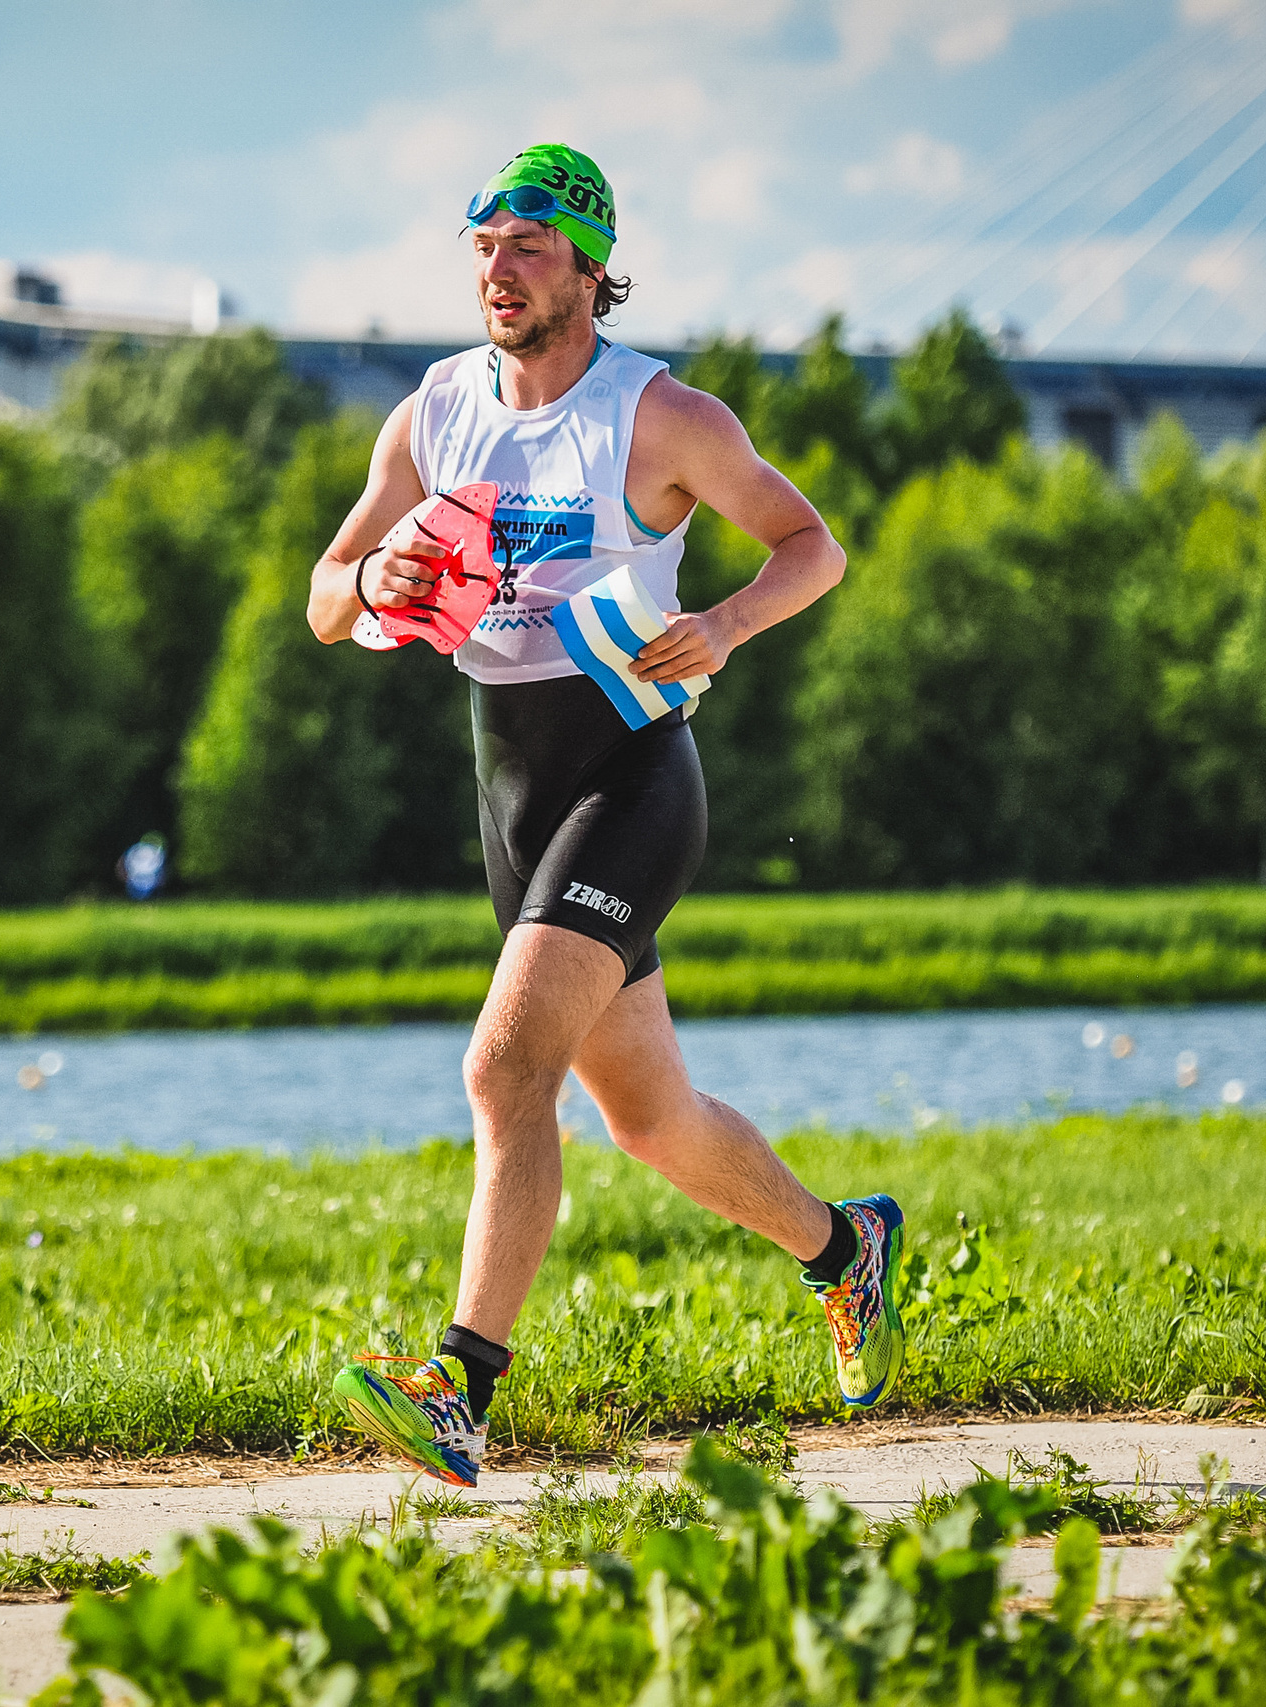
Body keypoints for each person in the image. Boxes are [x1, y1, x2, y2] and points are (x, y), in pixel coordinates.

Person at [305, 145, 904, 1488]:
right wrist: (380, 574)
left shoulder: (661, 415)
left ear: (590, 264)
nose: (497, 269)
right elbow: (326, 598)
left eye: (526, 244)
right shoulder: (433, 412)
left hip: (631, 778)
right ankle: (840, 1248)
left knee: (504, 1068)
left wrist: (728, 626)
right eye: (483, 245)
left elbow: (813, 545)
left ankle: (456, 1388)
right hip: (507, 788)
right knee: (653, 1122)